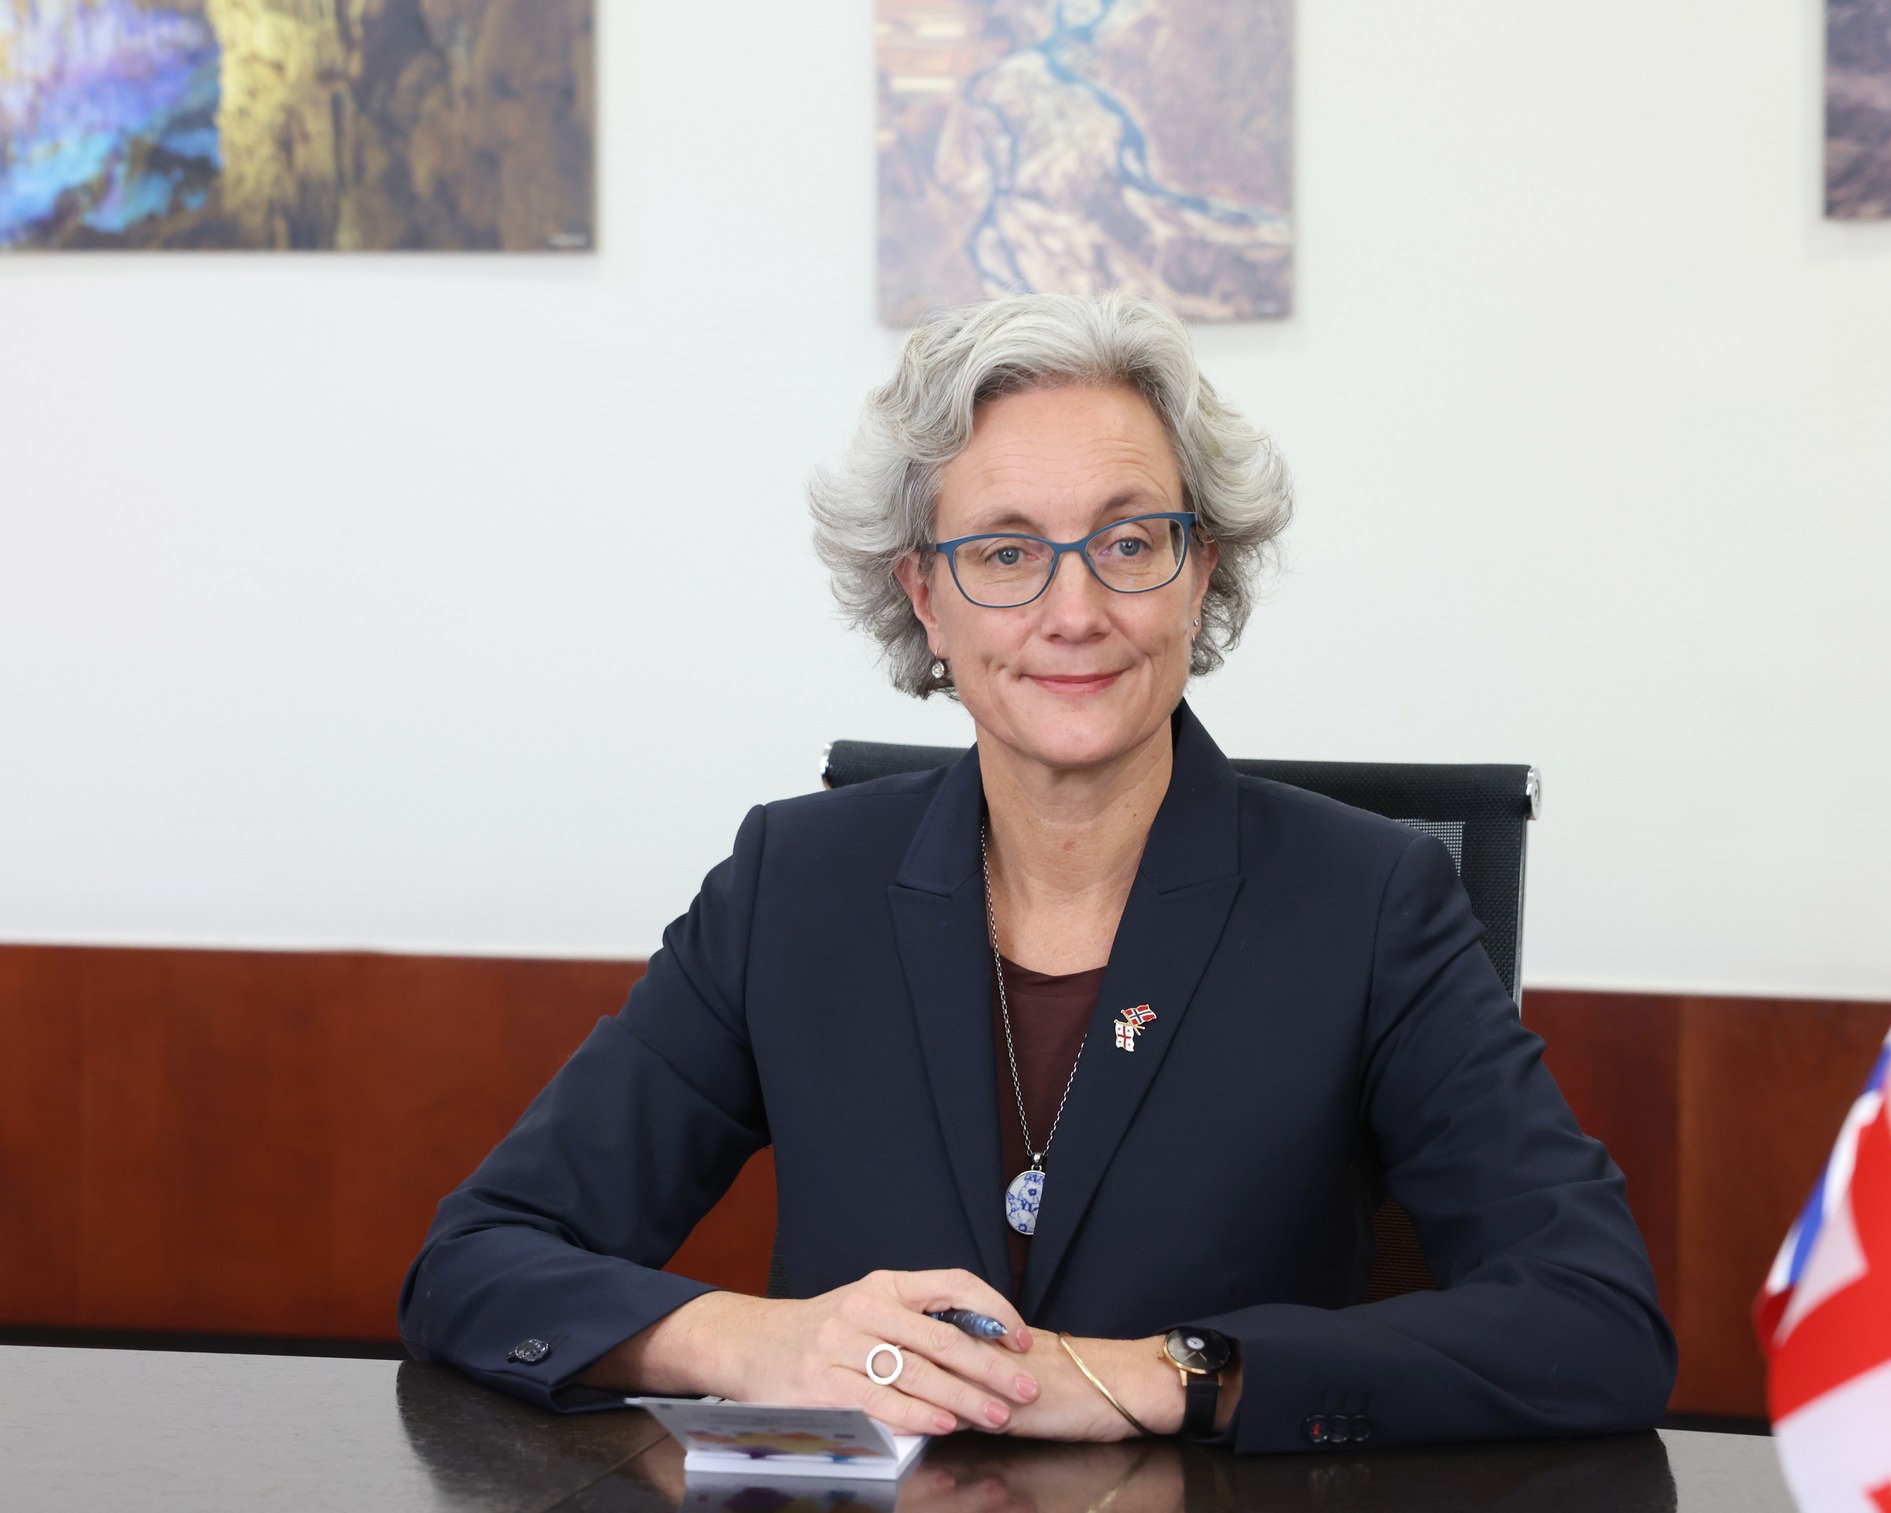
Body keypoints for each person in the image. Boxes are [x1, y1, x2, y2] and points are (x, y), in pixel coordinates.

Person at [398, 292, 1676, 1452]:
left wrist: (1159, 1374)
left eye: (1130, 541)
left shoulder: (1370, 902)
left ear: (1201, 573)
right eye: (1004, 553)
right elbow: (475, 1261)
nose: (1074, 612)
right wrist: (753, 1343)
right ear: (925, 598)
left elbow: (1592, 1320)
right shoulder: (792, 884)